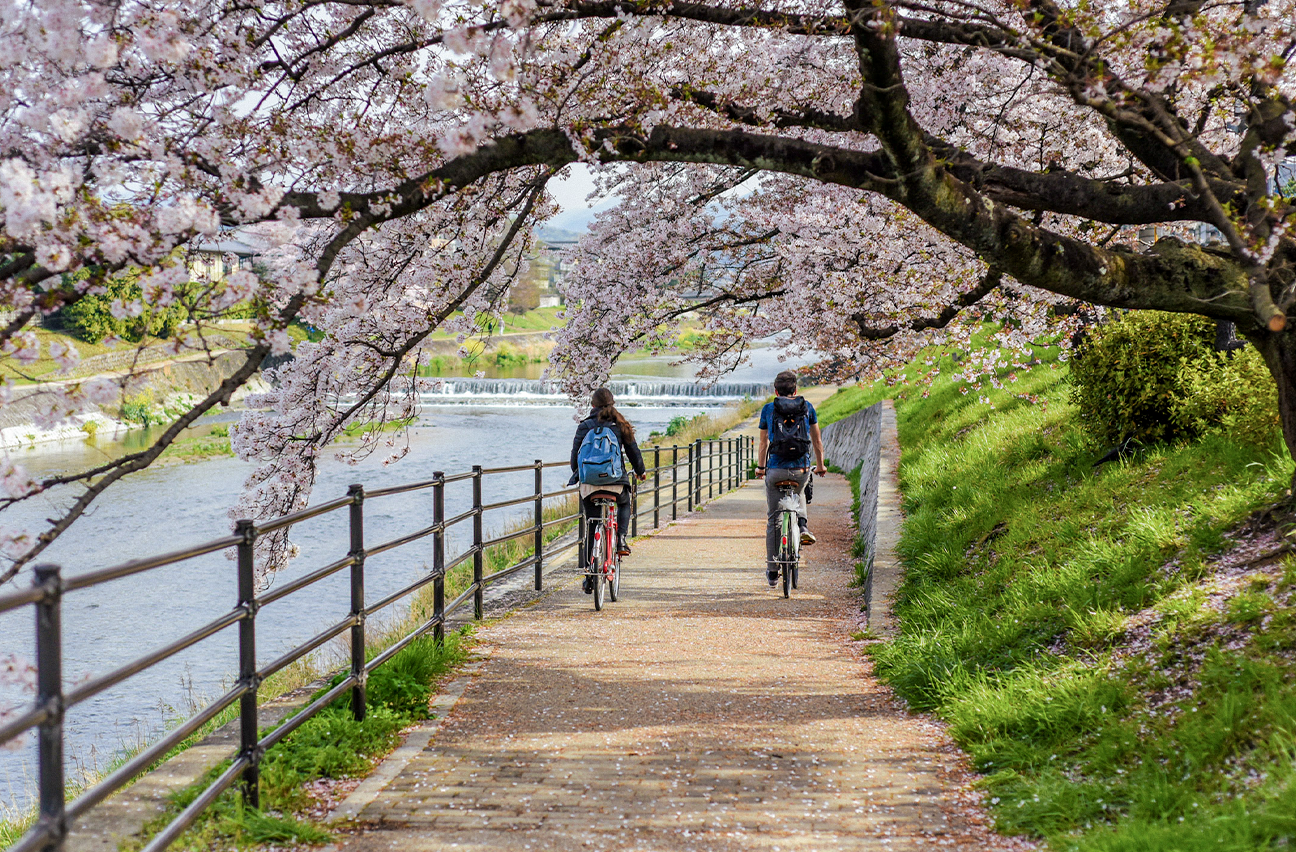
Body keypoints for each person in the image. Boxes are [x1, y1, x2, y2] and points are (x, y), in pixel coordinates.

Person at [755, 370, 827, 587]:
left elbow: (763, 444)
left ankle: (772, 571)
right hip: (801, 468)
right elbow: (817, 442)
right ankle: (802, 527)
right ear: (796, 390)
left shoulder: (769, 408)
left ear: (775, 391)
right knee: (800, 491)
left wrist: (760, 468)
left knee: (773, 519)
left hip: (775, 470)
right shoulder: (808, 407)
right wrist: (821, 465)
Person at [570, 387, 646, 591]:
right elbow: (633, 452)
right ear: (612, 404)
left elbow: (574, 458)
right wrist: (640, 471)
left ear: (592, 405)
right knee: (624, 500)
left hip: (589, 486)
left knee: (592, 525)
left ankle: (589, 574)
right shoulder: (619, 426)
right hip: (615, 482)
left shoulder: (584, 426)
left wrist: (580, 474)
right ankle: (620, 539)